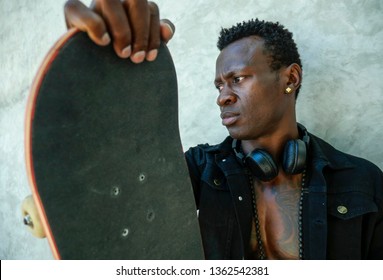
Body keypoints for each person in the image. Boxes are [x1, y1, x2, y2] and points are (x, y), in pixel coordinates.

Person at [63, 0, 383, 259]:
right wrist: (100, 75)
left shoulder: (362, 181)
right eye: (218, 85)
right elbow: (109, 200)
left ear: (290, 79)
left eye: (238, 79)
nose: (222, 96)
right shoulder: (197, 170)